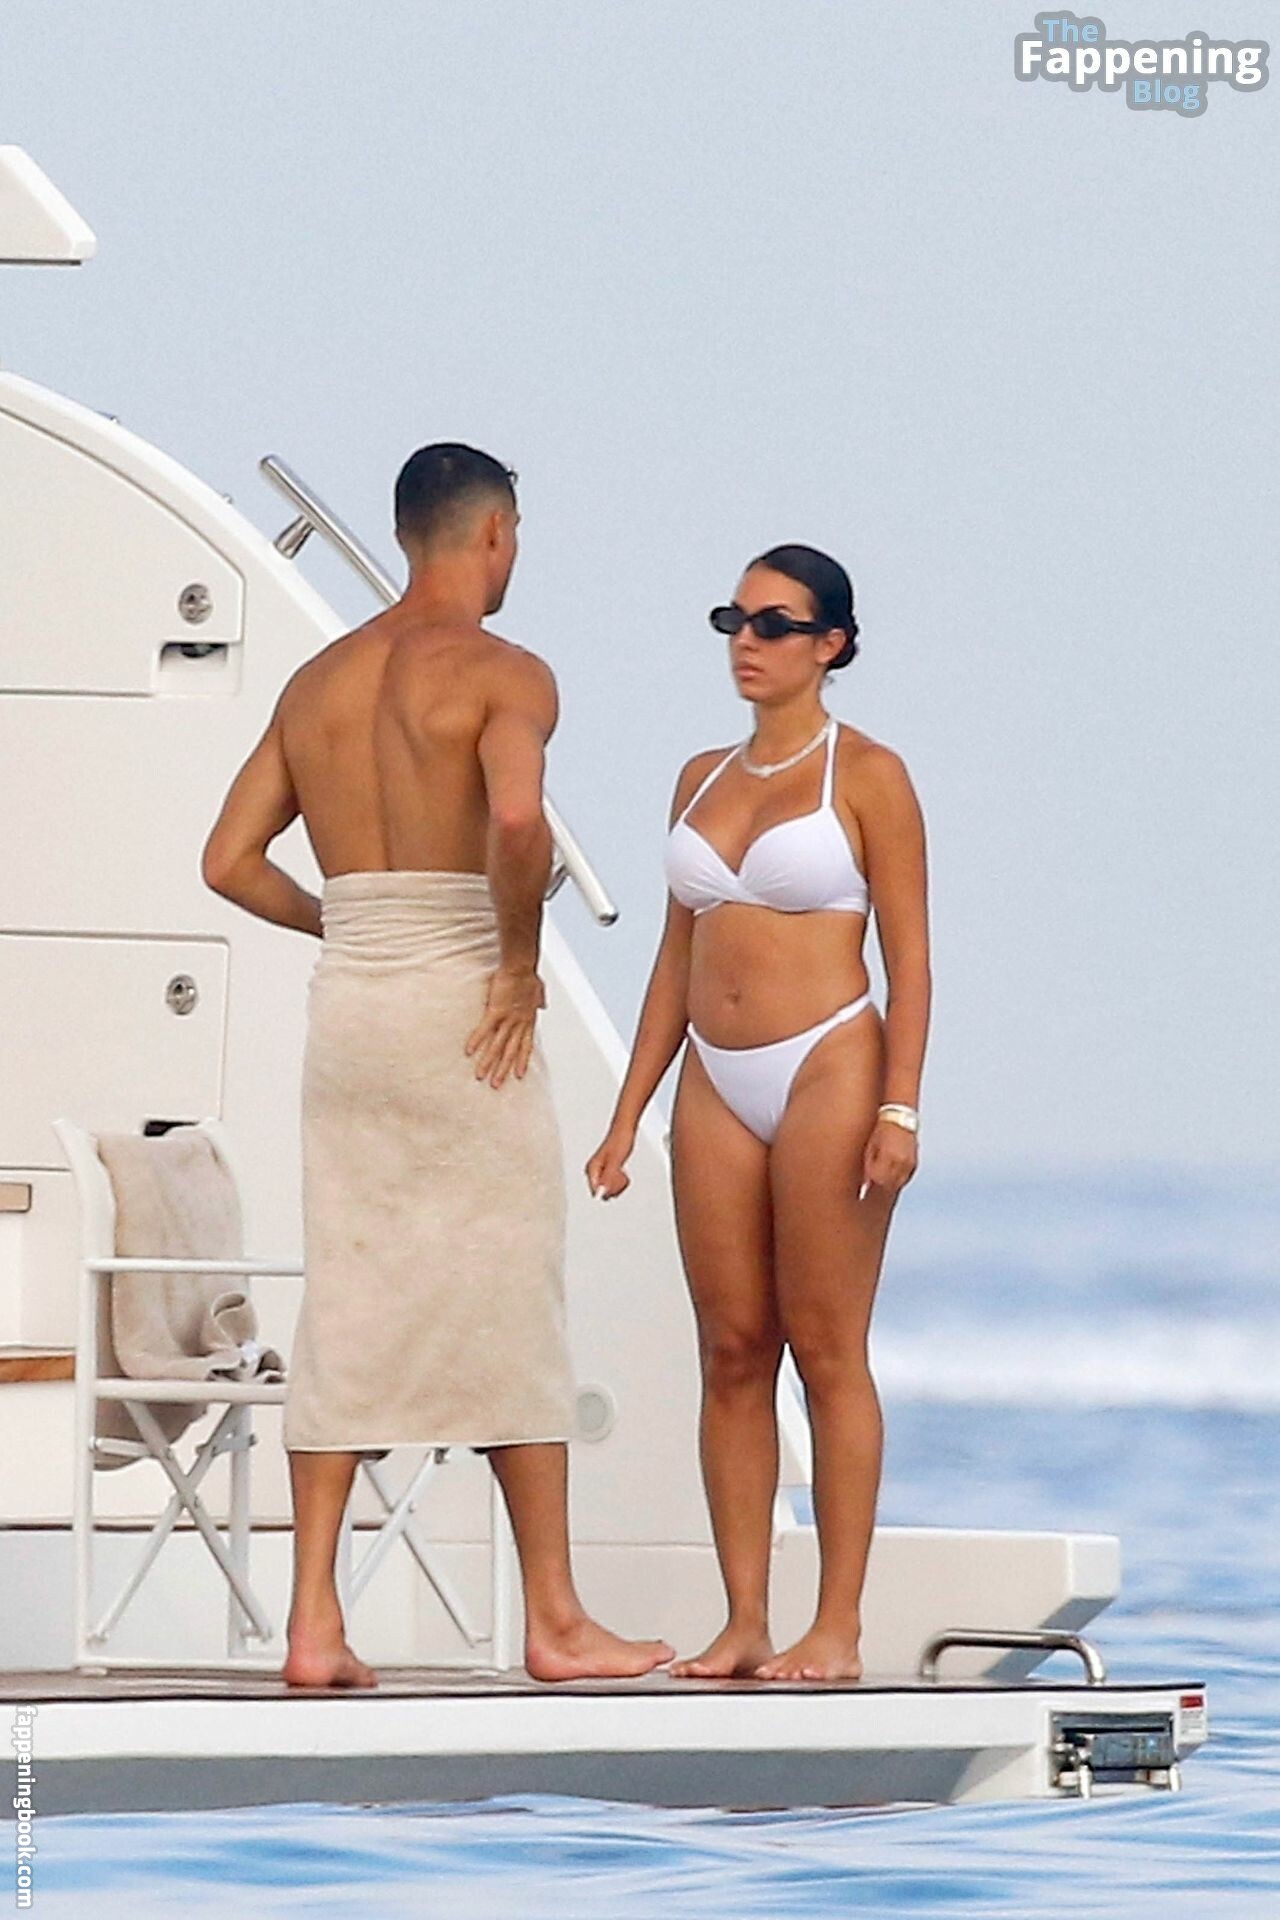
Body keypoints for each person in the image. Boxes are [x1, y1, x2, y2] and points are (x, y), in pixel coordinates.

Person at [203, 442, 673, 1689]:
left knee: (350, 1301)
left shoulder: (317, 683)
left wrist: (344, 924)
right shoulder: (504, 672)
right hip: (465, 1000)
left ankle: (313, 1624)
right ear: (493, 534)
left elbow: (228, 861)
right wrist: (515, 965)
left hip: (354, 1007)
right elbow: (516, 820)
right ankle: (555, 1621)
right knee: (512, 1297)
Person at [586, 544, 930, 1682]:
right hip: (713, 1079)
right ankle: (744, 1621)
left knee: (826, 1348)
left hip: (829, 1061)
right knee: (732, 1350)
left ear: (830, 645)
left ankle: (836, 1627)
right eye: (734, 619)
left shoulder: (868, 775)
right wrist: (626, 1114)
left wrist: (900, 1108)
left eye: (776, 624)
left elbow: (911, 959)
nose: (748, 640)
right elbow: (673, 958)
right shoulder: (698, 776)